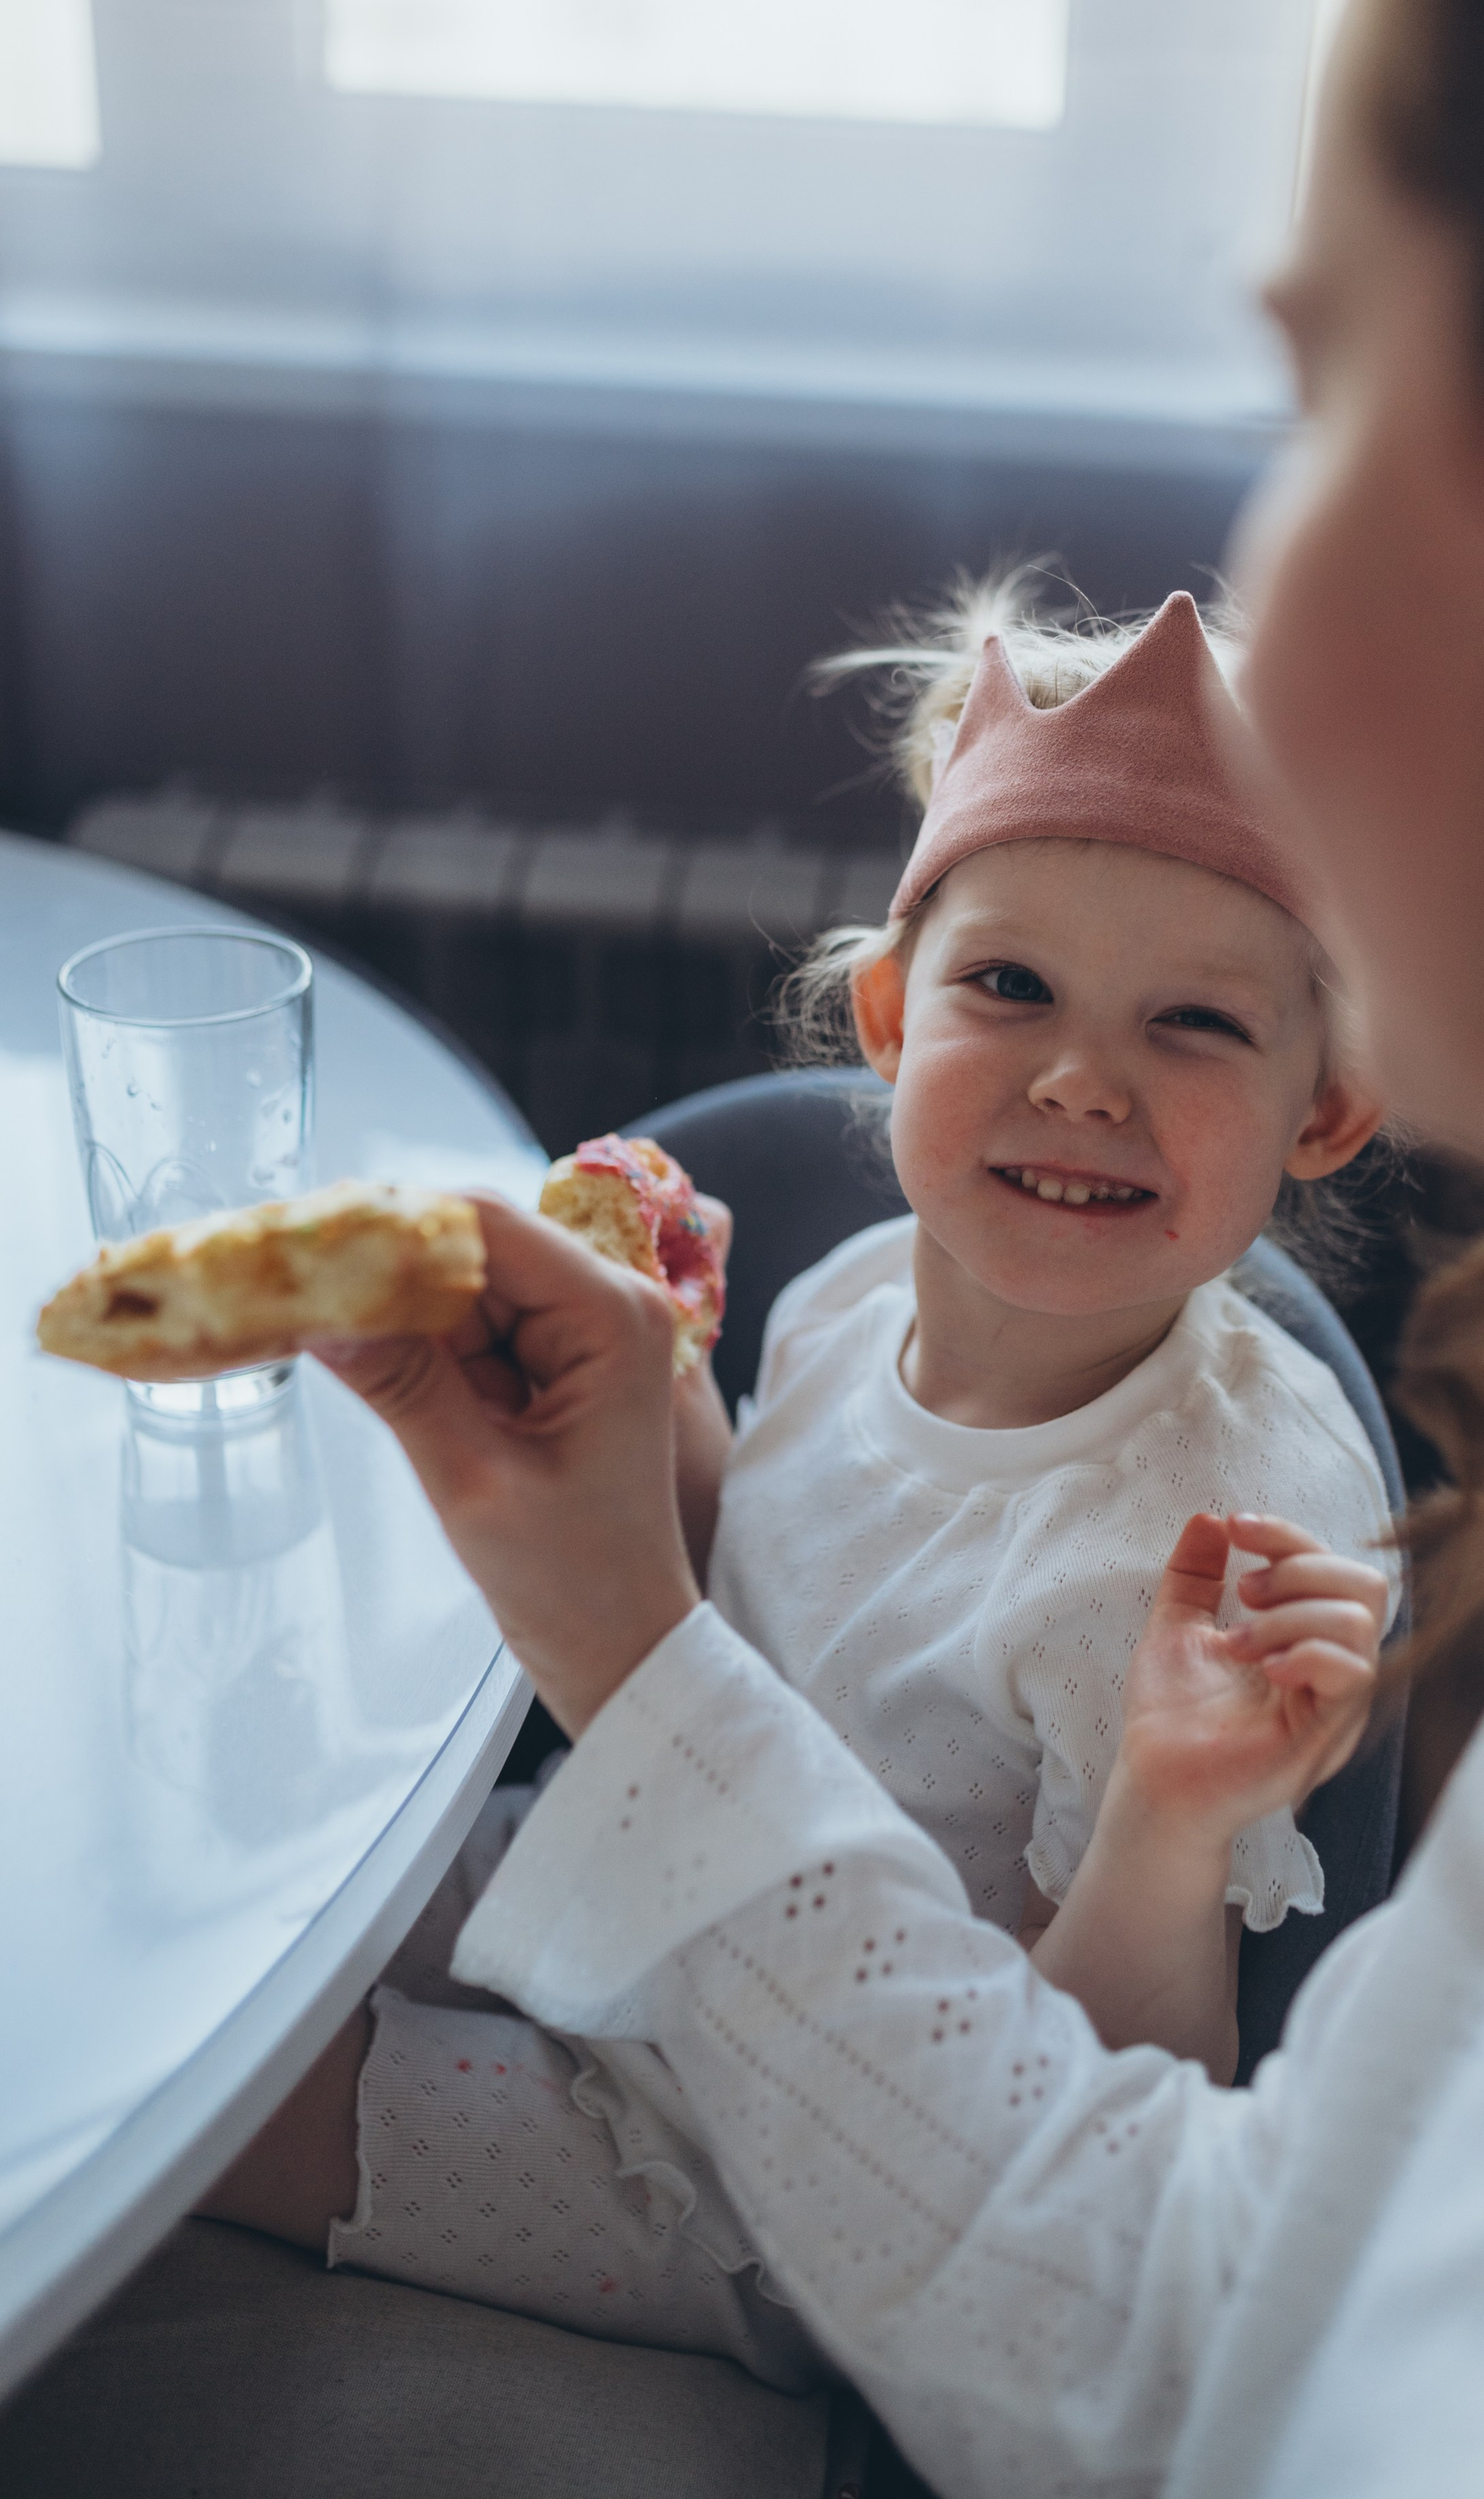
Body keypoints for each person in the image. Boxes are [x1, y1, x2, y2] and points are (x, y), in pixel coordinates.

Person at [269, 0, 1484, 2488]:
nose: (1280, 656)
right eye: (1012, 989)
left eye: (1334, 388)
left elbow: (1140, 2277)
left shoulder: (1295, 1513)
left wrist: (1074, 1791)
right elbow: (1187, 2331)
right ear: (886, 1027)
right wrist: (638, 1523)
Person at [200, 583, 1394, 2378]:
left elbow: (1086, 2132)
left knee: (224, 2103)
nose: (1080, 1080)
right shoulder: (851, 1290)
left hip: (780, 2168)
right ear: (895, 1017)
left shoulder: (1206, 1535)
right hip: (637, 1867)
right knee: (235, 1909)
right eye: (1012, 988)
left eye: (1195, 1026)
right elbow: (723, 1578)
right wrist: (659, 1362)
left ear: (1324, 1110)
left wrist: (1165, 1811)